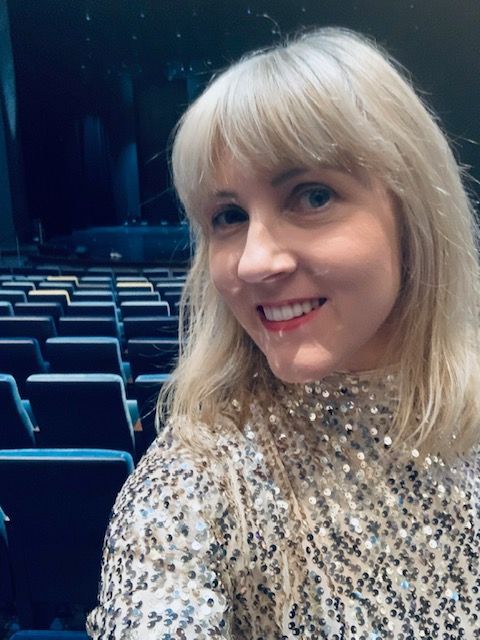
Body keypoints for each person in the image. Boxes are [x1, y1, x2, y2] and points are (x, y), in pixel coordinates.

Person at [87, 27, 480, 639]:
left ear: (413, 216)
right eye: (229, 216)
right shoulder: (194, 480)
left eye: (312, 196)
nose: (253, 263)